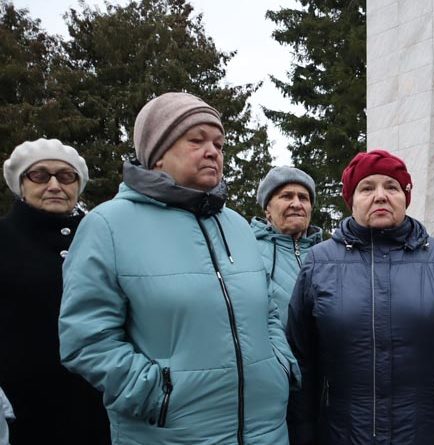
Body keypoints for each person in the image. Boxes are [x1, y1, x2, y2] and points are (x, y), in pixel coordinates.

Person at [58, 92, 298, 445]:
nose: (213, 151)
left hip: (267, 432)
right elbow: (85, 338)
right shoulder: (108, 225)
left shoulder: (236, 225)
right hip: (171, 433)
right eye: (196, 140)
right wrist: (156, 392)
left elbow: (269, 311)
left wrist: (280, 365)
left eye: (218, 143)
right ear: (155, 155)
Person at [286, 149, 434, 445]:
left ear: (405, 196)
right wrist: (301, 427)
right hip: (341, 432)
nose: (380, 196)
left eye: (391, 187)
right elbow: (300, 352)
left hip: (426, 431)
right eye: (367, 188)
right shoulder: (319, 262)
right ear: (351, 199)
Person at [0, 139, 110, 444]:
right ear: (21, 184)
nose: (53, 185)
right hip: (22, 410)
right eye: (39, 175)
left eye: (65, 176)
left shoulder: (102, 238)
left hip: (98, 406)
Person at [251, 166, 322, 325]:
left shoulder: (327, 256)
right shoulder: (247, 251)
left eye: (303, 198)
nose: (296, 204)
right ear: (267, 209)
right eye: (287, 196)